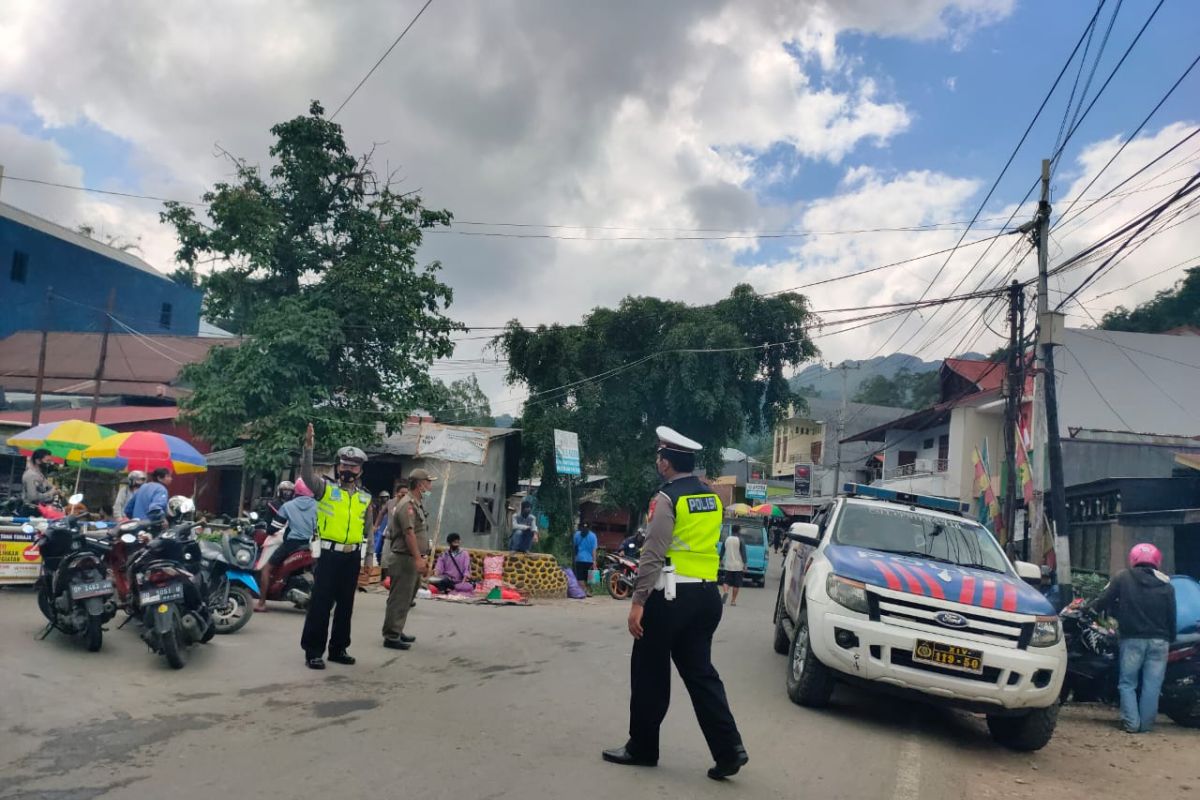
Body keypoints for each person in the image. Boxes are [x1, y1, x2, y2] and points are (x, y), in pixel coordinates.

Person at [604, 426, 747, 781]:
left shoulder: (666, 499)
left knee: (650, 674)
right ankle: (729, 750)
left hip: (669, 598)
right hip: (706, 598)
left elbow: (653, 553)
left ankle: (643, 748)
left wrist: (637, 602)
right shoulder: (712, 497)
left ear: (666, 463)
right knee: (702, 675)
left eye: (659, 457)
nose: (657, 462)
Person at [299, 423, 373, 670]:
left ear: (361, 470)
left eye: (353, 466)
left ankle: (339, 648)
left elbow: (368, 531)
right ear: (337, 466)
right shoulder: (325, 489)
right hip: (328, 555)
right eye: (344, 465)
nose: (348, 470)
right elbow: (307, 476)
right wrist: (308, 448)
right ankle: (313, 651)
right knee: (321, 604)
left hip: (351, 557)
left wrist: (369, 560)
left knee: (345, 605)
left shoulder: (365, 497)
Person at [1088, 543, 1177, 733]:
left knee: (1128, 683)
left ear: (1134, 559)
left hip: (1132, 639)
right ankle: (1144, 726)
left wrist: (1090, 609)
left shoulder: (1123, 577)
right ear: (1157, 561)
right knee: (1152, 685)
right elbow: (1172, 615)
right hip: (1160, 641)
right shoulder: (1166, 584)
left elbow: (1105, 600)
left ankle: (1131, 724)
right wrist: (1171, 637)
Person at [381, 468, 437, 650]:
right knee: (400, 597)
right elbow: (409, 533)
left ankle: (397, 629)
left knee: (407, 597)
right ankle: (391, 635)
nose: (430, 486)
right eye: (428, 482)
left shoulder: (416, 504)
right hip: (404, 558)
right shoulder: (408, 505)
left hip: (411, 557)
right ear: (420, 485)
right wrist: (417, 559)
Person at [256, 478, 318, 611]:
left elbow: (273, 528)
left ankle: (261, 603)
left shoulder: (288, 506)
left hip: (292, 544)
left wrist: (269, 530)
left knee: (266, 569)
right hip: (312, 544)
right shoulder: (317, 505)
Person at [719, 525, 748, 607]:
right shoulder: (740, 540)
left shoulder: (727, 539)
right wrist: (745, 564)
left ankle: (725, 592)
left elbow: (722, 551)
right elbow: (743, 553)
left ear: (732, 530)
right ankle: (733, 601)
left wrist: (720, 560)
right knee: (736, 584)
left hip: (728, 565)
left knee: (726, 581)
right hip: (738, 566)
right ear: (738, 531)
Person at [572, 518, 599, 594]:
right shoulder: (593, 536)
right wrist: (594, 561)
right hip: (589, 560)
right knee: (590, 578)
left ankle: (584, 590)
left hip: (579, 559)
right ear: (590, 527)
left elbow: (574, 547)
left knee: (580, 577)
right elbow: (594, 550)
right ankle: (589, 590)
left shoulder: (577, 534)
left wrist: (574, 557)